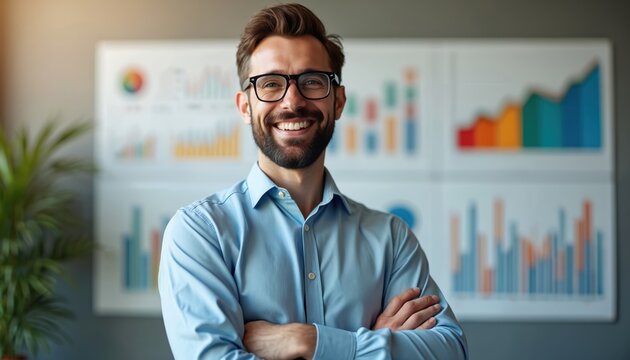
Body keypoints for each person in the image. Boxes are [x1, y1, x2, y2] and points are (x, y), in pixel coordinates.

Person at [158, 3, 468, 359]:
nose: (292, 101)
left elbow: (450, 351)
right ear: (245, 107)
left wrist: (306, 341)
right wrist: (370, 346)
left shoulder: (390, 239)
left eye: (311, 82)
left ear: (338, 101)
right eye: (270, 84)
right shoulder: (201, 232)